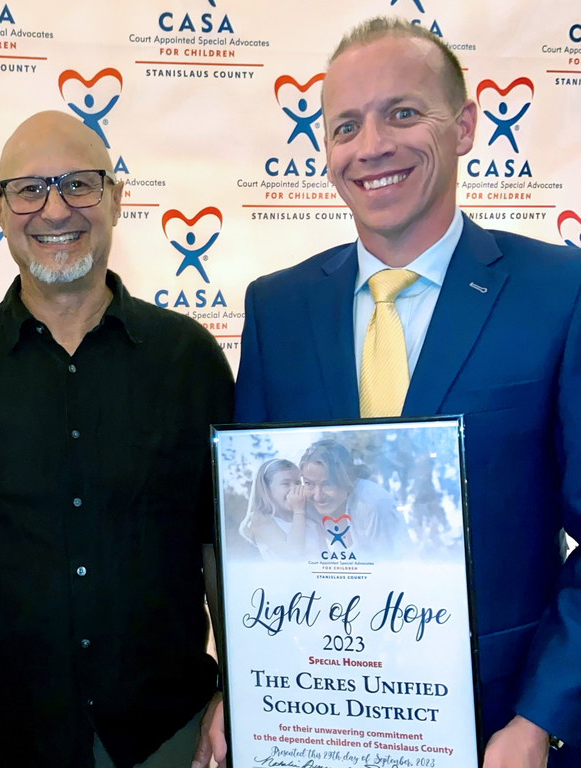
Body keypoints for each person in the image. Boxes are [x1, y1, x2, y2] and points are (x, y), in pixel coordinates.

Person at [227, 16, 579, 767]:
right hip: (321, 729)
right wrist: (248, 686)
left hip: (503, 738)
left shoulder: (559, 291)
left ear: (466, 127)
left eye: (403, 112)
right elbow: (258, 529)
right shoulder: (276, 310)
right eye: (345, 125)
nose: (371, 145)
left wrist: (540, 720)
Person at [0, 111, 234, 768]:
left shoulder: (189, 361)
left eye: (79, 185)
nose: (54, 209)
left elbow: (224, 547)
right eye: (29, 190)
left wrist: (242, 689)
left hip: (171, 739)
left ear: (115, 198)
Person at [298, 439, 403, 557]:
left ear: (349, 477)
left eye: (327, 484)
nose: (317, 496)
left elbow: (390, 565)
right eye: (308, 483)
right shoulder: (305, 505)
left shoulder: (372, 504)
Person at [238, 458, 321, 561]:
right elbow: (294, 555)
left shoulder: (309, 522)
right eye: (286, 484)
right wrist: (299, 511)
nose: (294, 489)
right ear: (267, 490)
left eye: (298, 483)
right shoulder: (260, 519)